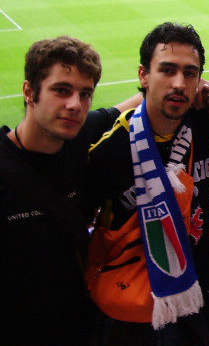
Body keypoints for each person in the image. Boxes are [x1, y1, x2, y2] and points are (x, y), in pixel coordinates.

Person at [85, 23, 209, 345]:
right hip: (130, 308)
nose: (179, 83)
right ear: (144, 75)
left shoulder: (206, 125)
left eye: (190, 73)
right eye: (167, 70)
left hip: (196, 295)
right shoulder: (108, 149)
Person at [0, 37, 134, 346]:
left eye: (85, 93)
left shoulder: (82, 137)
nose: (75, 105)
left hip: (78, 327)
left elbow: (149, 98)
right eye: (61, 90)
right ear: (29, 92)